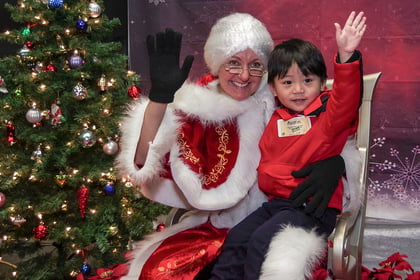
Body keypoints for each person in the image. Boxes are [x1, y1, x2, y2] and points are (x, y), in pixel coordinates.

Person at [116, 13, 354, 280]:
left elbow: (332, 123)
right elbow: (144, 161)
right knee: (161, 272)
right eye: (233, 63)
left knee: (277, 262)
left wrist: (338, 162)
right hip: (218, 226)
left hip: (284, 219)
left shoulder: (282, 96)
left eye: (255, 65)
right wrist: (160, 100)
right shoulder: (199, 108)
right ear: (217, 64)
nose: (244, 75)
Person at [208, 11, 366, 280]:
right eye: (288, 83)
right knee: (238, 237)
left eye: (308, 81)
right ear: (273, 88)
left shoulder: (327, 117)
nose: (298, 90)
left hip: (313, 209)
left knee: (261, 241)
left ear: (321, 83)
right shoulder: (275, 117)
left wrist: (347, 56)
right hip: (276, 205)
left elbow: (347, 100)